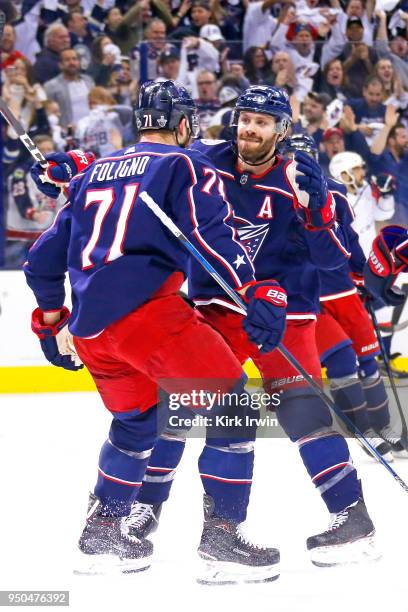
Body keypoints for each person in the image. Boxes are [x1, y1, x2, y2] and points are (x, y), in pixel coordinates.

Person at [37, 86, 379, 567]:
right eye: (244, 118)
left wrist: (318, 212)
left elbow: (336, 265)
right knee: (174, 413)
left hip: (283, 315)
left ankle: (351, 516)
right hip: (217, 307)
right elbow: (144, 166)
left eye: (262, 122)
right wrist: (78, 171)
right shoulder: (202, 158)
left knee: (302, 417)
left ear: (281, 131)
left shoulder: (303, 176)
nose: (249, 128)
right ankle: (143, 512)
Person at [26, 81, 288, 583]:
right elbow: (210, 237)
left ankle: (102, 533)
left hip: (92, 332)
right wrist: (253, 289)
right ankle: (223, 542)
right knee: (233, 407)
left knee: (137, 424)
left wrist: (51, 321)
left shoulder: (95, 172)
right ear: (185, 123)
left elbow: (41, 260)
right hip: (149, 316)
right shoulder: (183, 165)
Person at [286, 134, 406, 460]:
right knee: (342, 358)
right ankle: (361, 429)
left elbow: (351, 243)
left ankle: (385, 428)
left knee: (368, 360)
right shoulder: (275, 197)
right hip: (310, 297)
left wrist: (369, 278)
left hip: (345, 291)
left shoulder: (334, 191)